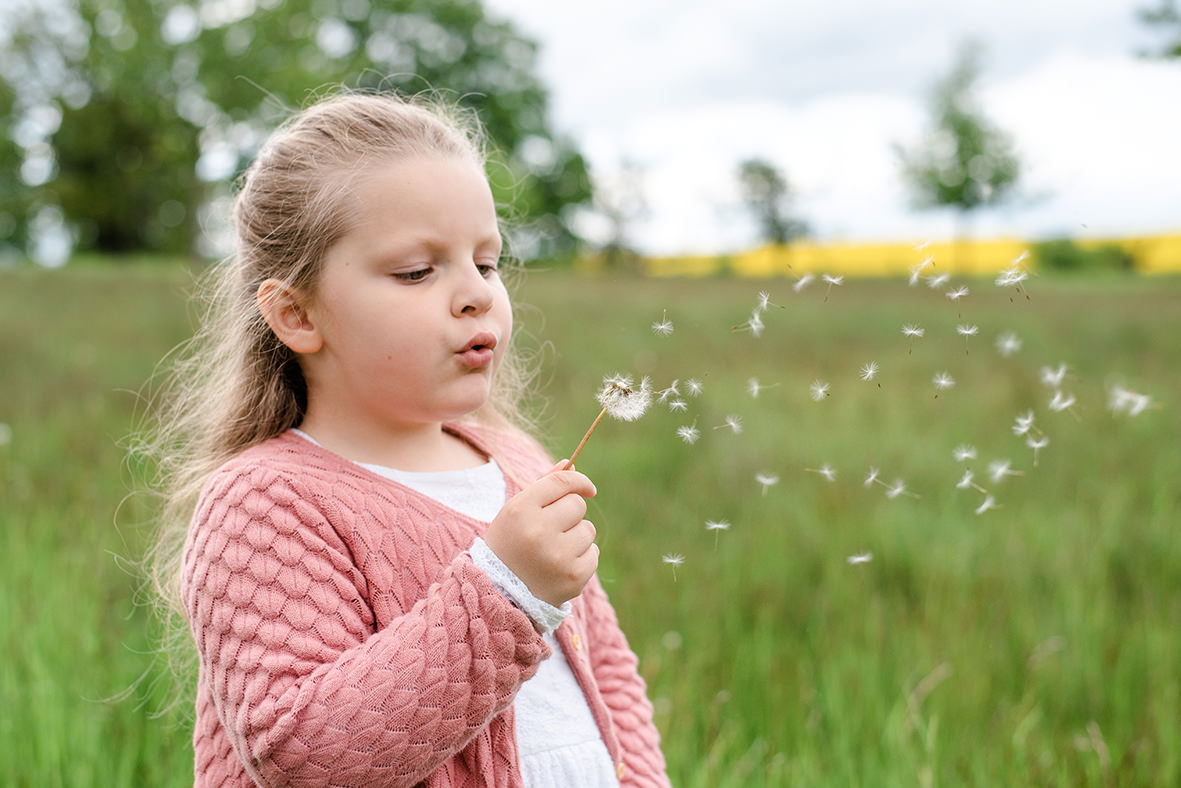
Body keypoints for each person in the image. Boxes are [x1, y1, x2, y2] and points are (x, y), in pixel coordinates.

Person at [144, 91, 669, 787]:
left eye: (487, 263)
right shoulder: (265, 503)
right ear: (296, 314)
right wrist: (505, 591)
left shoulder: (517, 460)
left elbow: (605, 671)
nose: (476, 294)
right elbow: (303, 755)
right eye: (417, 271)